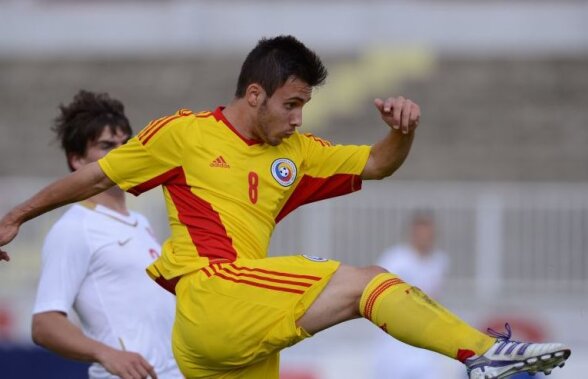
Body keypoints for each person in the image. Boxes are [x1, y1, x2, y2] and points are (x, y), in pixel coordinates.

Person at [0, 36, 570, 379]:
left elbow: (374, 163)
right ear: (255, 95)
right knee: (368, 282)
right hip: (211, 294)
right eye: (291, 104)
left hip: (228, 336)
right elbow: (96, 176)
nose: (299, 118)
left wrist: (403, 132)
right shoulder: (183, 134)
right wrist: (17, 215)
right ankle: (486, 353)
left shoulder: (297, 153)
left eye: (304, 105)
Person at [29, 90, 182, 379]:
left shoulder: (140, 221)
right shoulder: (75, 228)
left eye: (126, 144)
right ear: (77, 160)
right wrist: (106, 353)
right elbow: (44, 323)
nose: (122, 153)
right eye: (107, 146)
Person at [373, 212, 451, 379]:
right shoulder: (395, 259)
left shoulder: (440, 260)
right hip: (396, 338)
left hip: (425, 336)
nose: (424, 238)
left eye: (428, 234)